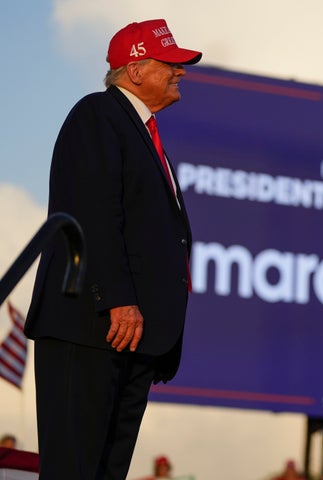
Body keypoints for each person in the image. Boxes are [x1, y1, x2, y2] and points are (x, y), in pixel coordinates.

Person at [25, 19, 200, 479]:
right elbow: (91, 209)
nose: (180, 72)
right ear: (136, 69)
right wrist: (118, 297)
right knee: (75, 468)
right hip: (93, 325)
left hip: (134, 339)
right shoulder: (98, 115)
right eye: (171, 64)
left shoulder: (142, 132)